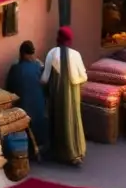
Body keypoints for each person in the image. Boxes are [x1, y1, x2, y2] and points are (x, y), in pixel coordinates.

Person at [41, 27, 87, 166]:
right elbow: (84, 76)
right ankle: (75, 152)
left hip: (56, 95)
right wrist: (73, 82)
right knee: (73, 120)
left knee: (57, 120)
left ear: (58, 38)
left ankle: (58, 151)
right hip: (72, 94)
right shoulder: (76, 54)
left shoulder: (51, 53)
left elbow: (44, 79)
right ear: (70, 39)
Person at [6, 40, 49, 156]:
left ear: (22, 53)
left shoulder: (15, 69)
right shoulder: (38, 68)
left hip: (23, 113)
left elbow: (9, 89)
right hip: (39, 112)